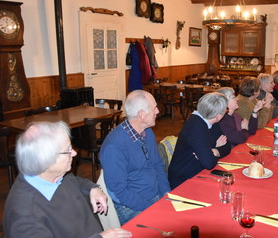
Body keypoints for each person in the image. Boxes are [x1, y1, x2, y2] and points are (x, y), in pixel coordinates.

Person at [3, 121, 132, 238]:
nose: (74, 153)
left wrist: (92, 188)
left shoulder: (51, 177)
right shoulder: (25, 216)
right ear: (46, 160)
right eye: (68, 150)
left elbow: (74, 181)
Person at [100, 90, 170, 225]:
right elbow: (119, 192)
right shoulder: (114, 146)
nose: (158, 111)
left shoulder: (147, 133)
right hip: (131, 207)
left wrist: (166, 192)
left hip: (155, 195)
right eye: (154, 108)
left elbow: (157, 166)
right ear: (142, 115)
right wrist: (151, 207)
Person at [168, 92, 231, 189]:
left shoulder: (211, 120)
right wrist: (213, 151)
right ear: (218, 115)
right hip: (183, 181)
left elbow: (227, 146)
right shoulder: (196, 126)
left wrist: (214, 151)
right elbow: (209, 163)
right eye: (225, 111)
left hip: (198, 173)